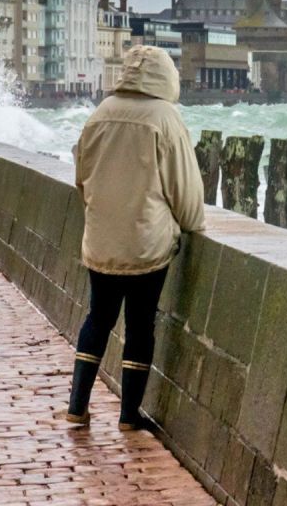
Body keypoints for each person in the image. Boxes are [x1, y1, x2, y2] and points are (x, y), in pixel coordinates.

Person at [64, 45, 205, 431]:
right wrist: (193, 225)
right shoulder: (165, 118)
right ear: (166, 77)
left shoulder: (99, 114)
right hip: (147, 244)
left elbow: (81, 177)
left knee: (98, 316)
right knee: (140, 323)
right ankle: (129, 416)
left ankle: (77, 406)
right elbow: (184, 187)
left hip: (102, 241)